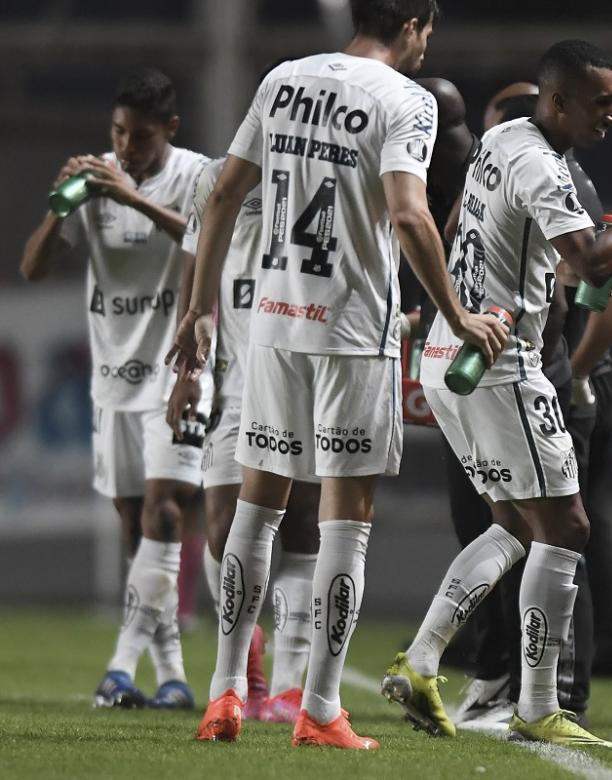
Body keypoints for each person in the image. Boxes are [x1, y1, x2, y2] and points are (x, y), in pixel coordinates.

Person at [169, 0, 506, 749]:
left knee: (255, 512)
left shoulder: (282, 79)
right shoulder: (406, 99)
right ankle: (319, 709)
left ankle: (224, 694)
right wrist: (454, 314)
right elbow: (412, 217)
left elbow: (224, 192)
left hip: (271, 323)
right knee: (344, 522)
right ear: (415, 22)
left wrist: (199, 308)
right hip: (353, 331)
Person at [382, 39, 612, 747]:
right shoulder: (540, 163)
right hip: (499, 358)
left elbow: (457, 219)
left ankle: (424, 658)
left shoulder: (501, 137)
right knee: (570, 527)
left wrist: (461, 299)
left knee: (515, 525)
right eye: (601, 103)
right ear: (558, 102)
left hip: (449, 346)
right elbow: (591, 264)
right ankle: (538, 706)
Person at [20, 67, 210, 711]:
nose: (127, 148)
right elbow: (32, 266)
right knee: (135, 526)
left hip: (180, 372)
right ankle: (172, 673)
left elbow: (207, 243)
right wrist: (59, 210)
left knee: (165, 511)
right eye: (119, 133)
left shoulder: (194, 175)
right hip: (112, 379)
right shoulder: (95, 176)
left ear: (171, 130)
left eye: (142, 136)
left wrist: (129, 196)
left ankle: (119, 667)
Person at [167, 156, 329, 723]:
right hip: (235, 378)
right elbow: (193, 271)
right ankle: (249, 661)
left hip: (309, 371)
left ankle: (287, 685)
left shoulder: (322, 164)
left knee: (306, 524)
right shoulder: (217, 177)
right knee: (220, 527)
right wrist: (187, 371)